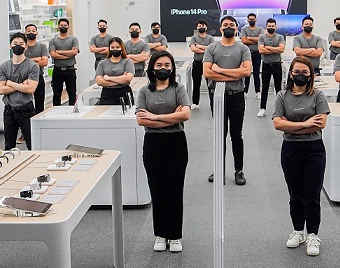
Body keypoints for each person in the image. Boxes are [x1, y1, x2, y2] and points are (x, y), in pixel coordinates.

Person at [273, 56, 330, 256]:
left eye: (305, 72)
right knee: (295, 194)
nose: (300, 75)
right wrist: (306, 124)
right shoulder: (282, 96)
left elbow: (321, 124)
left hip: (314, 150)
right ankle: (298, 231)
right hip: (291, 150)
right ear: (290, 74)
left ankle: (313, 234)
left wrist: (291, 125)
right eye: (296, 72)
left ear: (311, 75)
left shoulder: (318, 95)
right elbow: (278, 124)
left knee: (312, 194)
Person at [136, 51, 191, 253]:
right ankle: (160, 234)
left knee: (174, 190)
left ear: (172, 68)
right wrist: (171, 117)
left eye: (167, 65)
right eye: (159, 65)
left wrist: (155, 117)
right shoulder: (144, 91)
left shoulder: (178, 88)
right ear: (152, 68)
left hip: (176, 143)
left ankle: (175, 236)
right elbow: (141, 120)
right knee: (157, 189)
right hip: (153, 144)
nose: (163, 69)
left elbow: (185, 115)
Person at [203, 15, 252, 185]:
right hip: (216, 95)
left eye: (232, 24)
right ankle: (219, 169)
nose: (228, 27)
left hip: (236, 96)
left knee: (236, 134)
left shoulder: (243, 49)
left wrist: (219, 70)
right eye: (225, 24)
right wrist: (234, 73)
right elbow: (207, 73)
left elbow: (246, 72)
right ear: (220, 28)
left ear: (237, 28)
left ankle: (239, 170)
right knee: (220, 134)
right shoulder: (212, 48)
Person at [0, 33, 40, 150]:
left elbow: (30, 89)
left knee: (32, 144)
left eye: (21, 44)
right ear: (10, 46)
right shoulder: (3, 67)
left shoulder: (33, 66)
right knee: (9, 146)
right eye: (15, 43)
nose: (18, 46)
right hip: (9, 110)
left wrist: (9, 83)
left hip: (26, 109)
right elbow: (1, 89)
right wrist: (21, 85)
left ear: (26, 46)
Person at [257, 17, 285, 117]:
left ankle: (279, 109)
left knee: (278, 88)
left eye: (273, 26)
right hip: (266, 65)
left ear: (276, 27)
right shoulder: (262, 37)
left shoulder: (280, 37)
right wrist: (275, 49)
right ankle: (262, 108)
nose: (271, 27)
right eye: (269, 26)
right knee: (265, 87)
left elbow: (281, 49)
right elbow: (261, 50)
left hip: (277, 65)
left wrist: (267, 47)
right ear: (266, 27)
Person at [48, 17, 80, 106]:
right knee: (56, 94)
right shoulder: (53, 40)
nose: (63, 26)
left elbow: (74, 52)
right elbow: (53, 55)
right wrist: (69, 54)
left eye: (65, 25)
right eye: (61, 25)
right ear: (58, 26)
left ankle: (72, 111)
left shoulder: (73, 39)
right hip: (57, 70)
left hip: (70, 70)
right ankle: (56, 111)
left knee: (72, 94)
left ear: (68, 27)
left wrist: (59, 52)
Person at [95, 37, 135, 105]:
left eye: (117, 47)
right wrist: (121, 79)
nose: (115, 49)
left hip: (124, 93)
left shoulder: (128, 62)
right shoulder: (102, 63)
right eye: (112, 47)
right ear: (109, 48)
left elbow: (128, 78)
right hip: (107, 94)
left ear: (122, 48)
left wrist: (108, 78)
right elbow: (99, 81)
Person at [188, 19, 214, 109]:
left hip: (208, 64)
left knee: (210, 84)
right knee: (196, 84)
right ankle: (195, 103)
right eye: (199, 26)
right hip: (197, 63)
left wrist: (199, 46)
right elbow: (193, 49)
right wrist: (206, 49)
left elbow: (212, 49)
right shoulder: (194, 38)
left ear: (206, 27)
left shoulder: (210, 38)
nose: (201, 27)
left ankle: (212, 102)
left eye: (203, 26)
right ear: (197, 27)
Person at [24, 24, 49, 114]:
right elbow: (21, 63)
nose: (31, 32)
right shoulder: (22, 47)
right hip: (24, 79)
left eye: (33, 31)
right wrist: (36, 59)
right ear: (25, 33)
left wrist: (28, 61)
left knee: (40, 104)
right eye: (29, 31)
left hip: (39, 78)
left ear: (37, 33)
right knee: (26, 104)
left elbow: (45, 62)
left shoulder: (42, 46)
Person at [240, 12, 264, 98]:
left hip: (257, 53)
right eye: (250, 19)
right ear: (247, 20)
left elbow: (261, 39)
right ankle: (245, 91)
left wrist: (249, 38)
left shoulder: (260, 29)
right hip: (247, 54)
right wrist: (256, 40)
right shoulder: (244, 29)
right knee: (247, 73)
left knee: (256, 74)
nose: (252, 21)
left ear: (256, 20)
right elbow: (244, 41)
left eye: (253, 19)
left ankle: (258, 91)